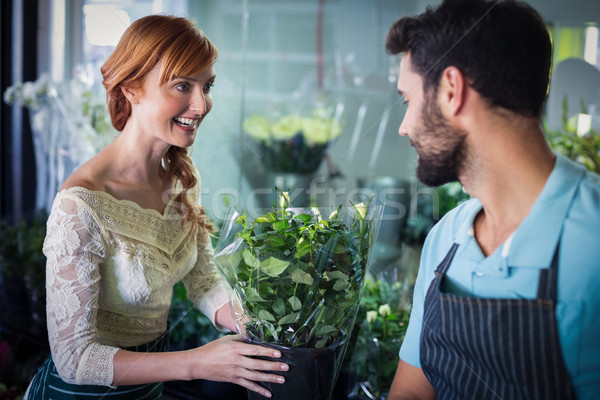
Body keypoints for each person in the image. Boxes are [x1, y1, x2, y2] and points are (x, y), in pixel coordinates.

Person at [25, 15, 287, 400]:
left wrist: (255, 323)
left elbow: (204, 281)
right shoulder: (80, 204)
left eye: (207, 86)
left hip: (148, 391)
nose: (200, 105)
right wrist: (198, 362)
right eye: (183, 85)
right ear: (131, 88)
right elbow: (75, 360)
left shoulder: (180, 179)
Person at [385, 0, 600, 399]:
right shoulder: (446, 237)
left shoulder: (593, 242)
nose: (404, 126)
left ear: (451, 90)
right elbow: (412, 392)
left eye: (407, 100)